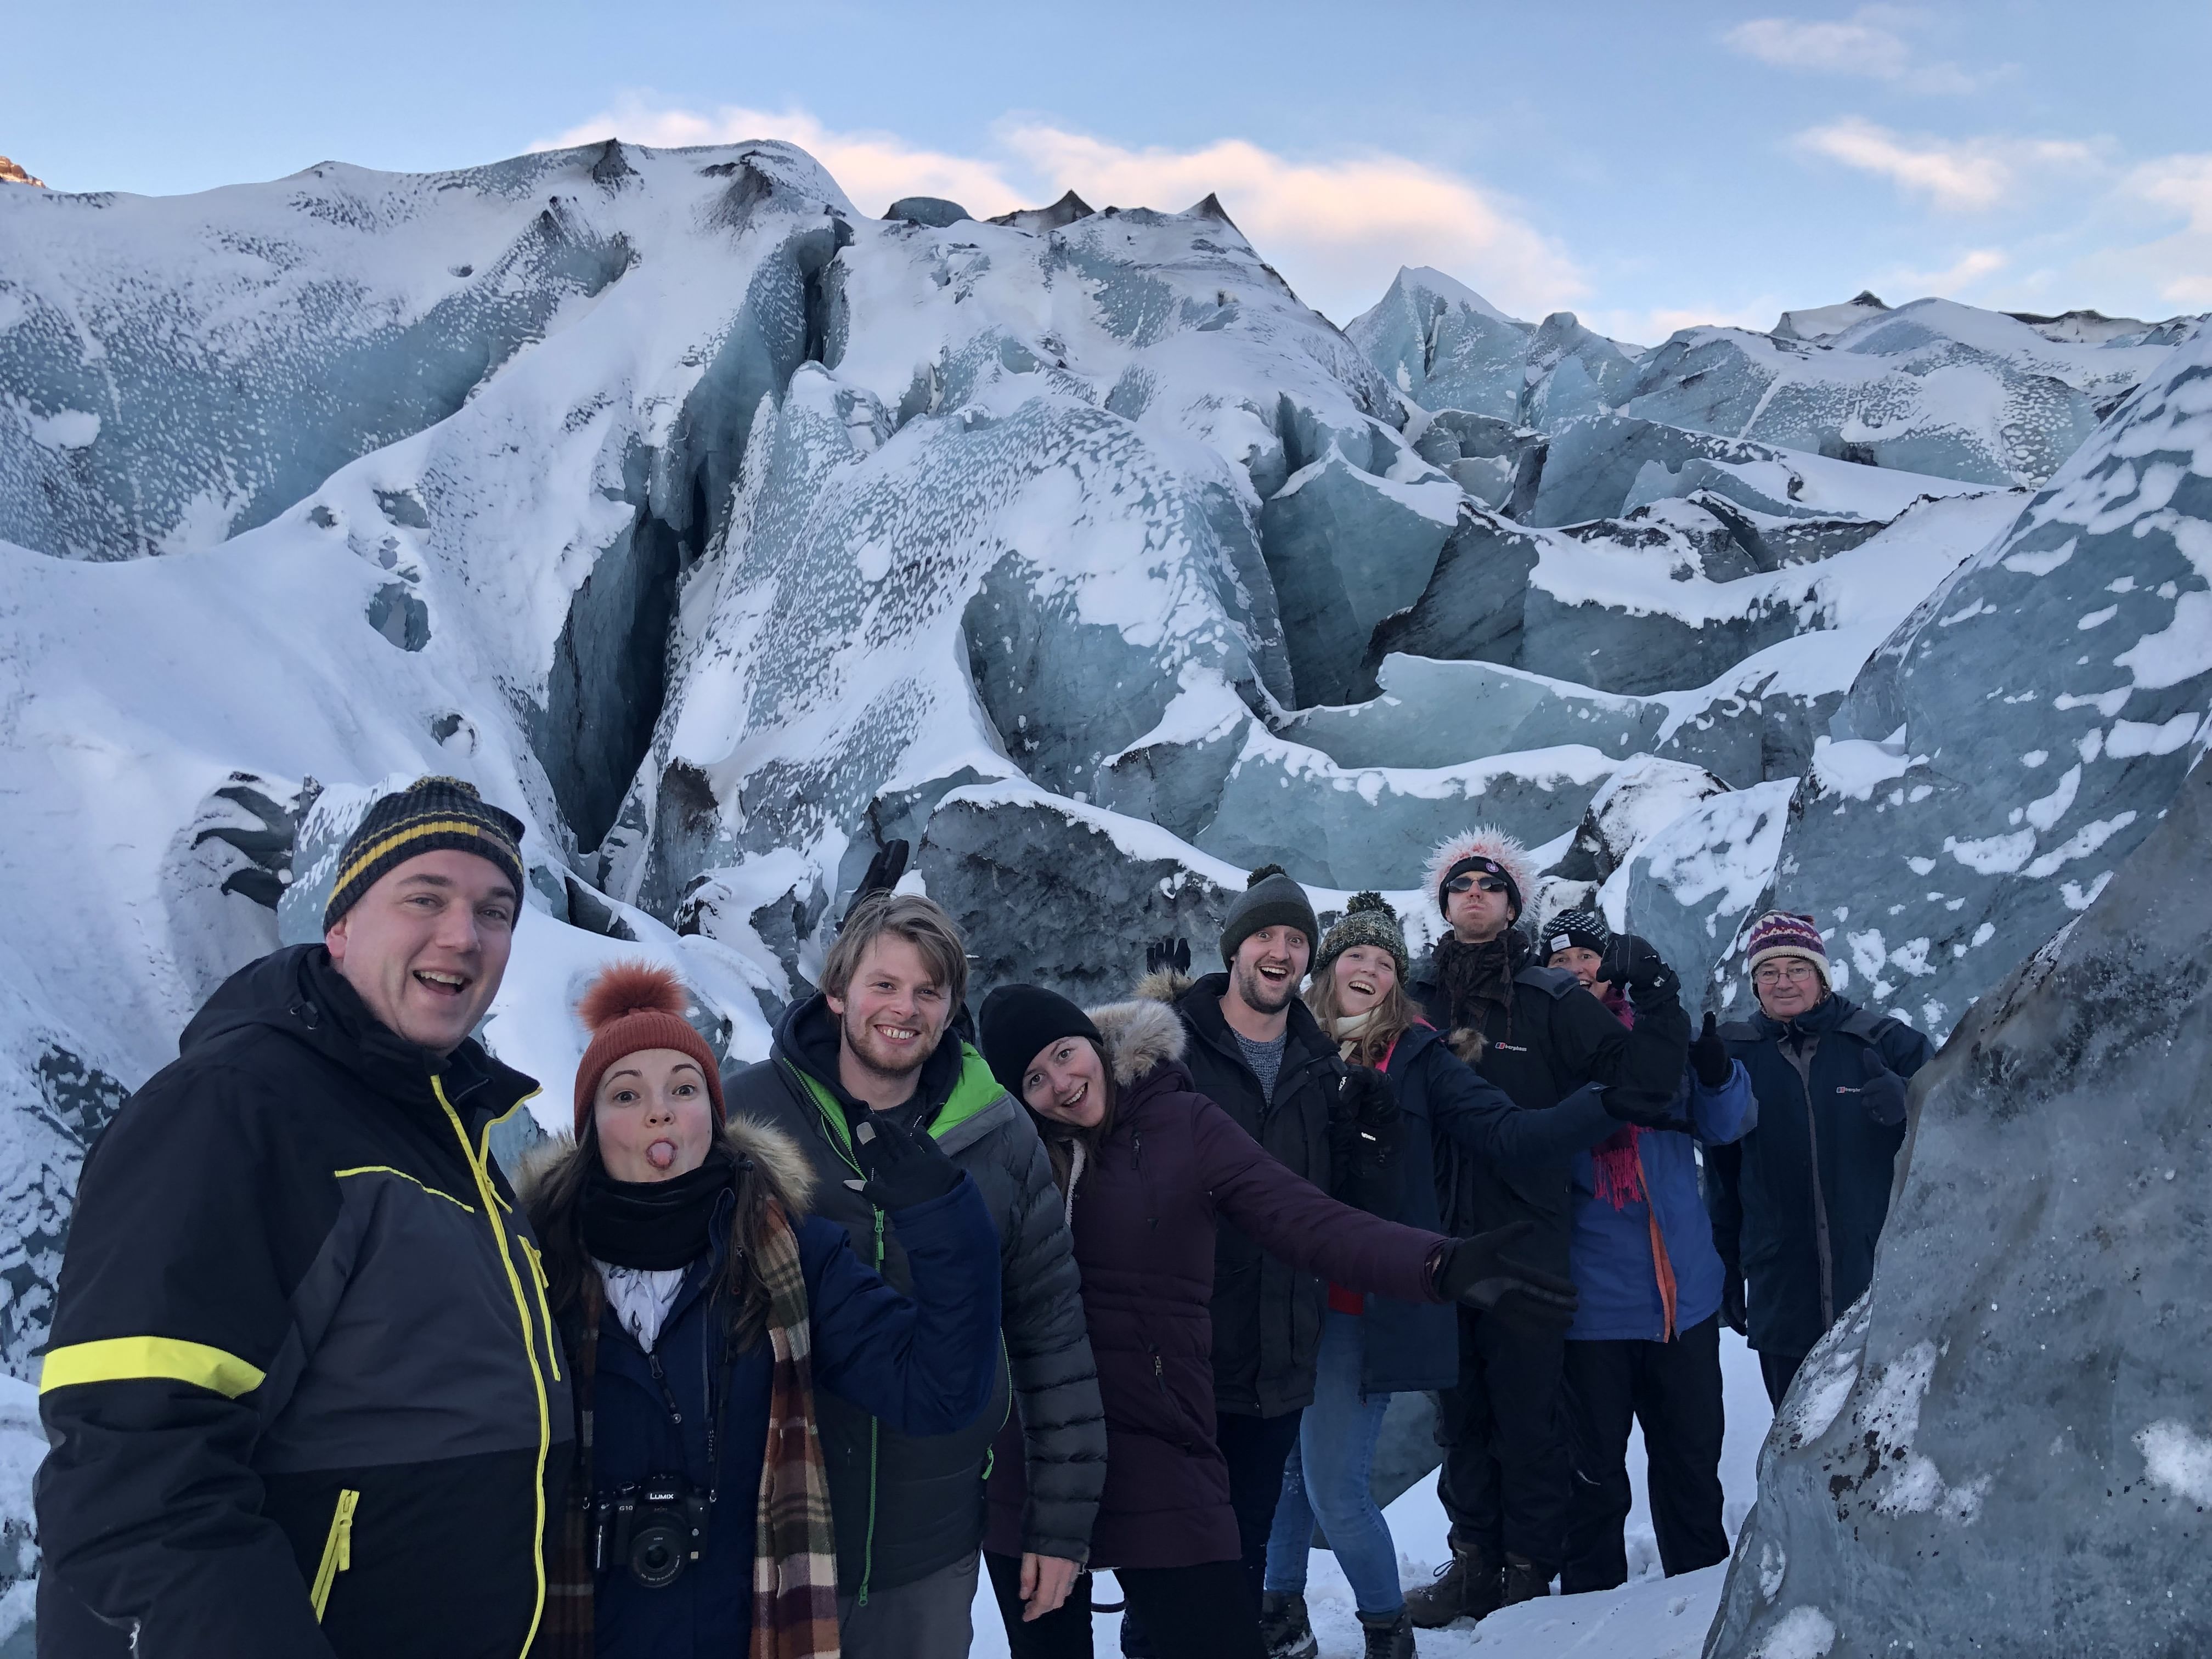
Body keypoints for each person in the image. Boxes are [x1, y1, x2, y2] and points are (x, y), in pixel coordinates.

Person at [35, 776, 572, 1657]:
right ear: (341, 926)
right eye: (424, 898)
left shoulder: (445, 1141)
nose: (462, 935)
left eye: (495, 910)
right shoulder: (239, 1110)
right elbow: (133, 1473)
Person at [973, 982, 1580, 1659]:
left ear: (1095, 1042)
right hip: (1034, 1458)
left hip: (1159, 1443)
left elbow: (1306, 1220)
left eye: (1065, 1053)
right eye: (1034, 1078)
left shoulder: (1187, 1123)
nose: (1061, 1082)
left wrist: (1436, 1265)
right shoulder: (1014, 1160)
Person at [522, 961, 1003, 1657]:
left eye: (683, 1089)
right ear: (589, 1129)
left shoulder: (792, 1256)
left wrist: (945, 1220)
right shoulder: (534, 1269)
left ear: (714, 1120)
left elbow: (938, 1390)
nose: (660, 1110)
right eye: (626, 1094)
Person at [721, 891, 1105, 1659]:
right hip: (770, 1542)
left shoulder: (999, 1136)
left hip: (928, 1551)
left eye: (928, 991)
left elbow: (1051, 1335)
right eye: (885, 985)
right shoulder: (745, 1120)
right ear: (838, 993)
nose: (905, 1009)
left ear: (951, 1007)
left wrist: (1061, 1528)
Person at [1262, 893, 1620, 1659]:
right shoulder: (1292, 1049)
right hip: (1281, 1299)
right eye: (1356, 955)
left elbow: (1507, 1129)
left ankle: (1385, 1629)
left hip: (1365, 1301)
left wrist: (1607, 1104)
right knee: (1289, 1471)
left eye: (1386, 962)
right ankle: (1278, 1613)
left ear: (1398, 984)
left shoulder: (1421, 1057)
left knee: (1335, 1484)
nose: (1369, 969)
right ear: (1328, 969)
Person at [1402, 829, 1689, 1627]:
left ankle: (1529, 1571)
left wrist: (1573, 1119)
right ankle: (1474, 1563)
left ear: (1513, 902)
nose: (1474, 896)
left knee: (1529, 1418)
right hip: (1431, 1244)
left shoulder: (1551, 998)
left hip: (1527, 1238)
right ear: (1443, 900)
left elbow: (1640, 1083)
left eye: (1490, 886)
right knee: (1459, 1419)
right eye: (1460, 885)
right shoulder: (1414, 999)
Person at [1129, 865, 1385, 1635]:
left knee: (1241, 1565)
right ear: (1235, 947)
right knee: (1164, 1570)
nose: (1281, 951)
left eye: (1296, 939)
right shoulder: (1173, 1053)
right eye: (1266, 935)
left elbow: (1331, 1213)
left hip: (1277, 1365)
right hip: (1184, 1358)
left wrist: (1374, 1144)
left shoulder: (1321, 1070)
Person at [1538, 910, 1755, 1594]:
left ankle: (1700, 1604)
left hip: (1681, 1301)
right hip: (1592, 1306)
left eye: (1587, 957)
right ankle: (1584, 1611)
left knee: (1691, 1466)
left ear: (1614, 969)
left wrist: (1717, 1075)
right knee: (1592, 1476)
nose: (1575, 969)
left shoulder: (1659, 1043)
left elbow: (1727, 1128)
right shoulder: (1545, 1049)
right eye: (1561, 959)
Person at [1703, 911, 1932, 1408]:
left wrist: (1913, 1103)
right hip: (1783, 1293)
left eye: (1797, 968)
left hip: (1880, 1292)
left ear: (1821, 977)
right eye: (1769, 972)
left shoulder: (1884, 1042)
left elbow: (1964, 1119)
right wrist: (1724, 1263)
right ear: (1755, 983)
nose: (1783, 982)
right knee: (1796, 1440)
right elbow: (1722, 1178)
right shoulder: (1735, 1055)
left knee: (1883, 1447)